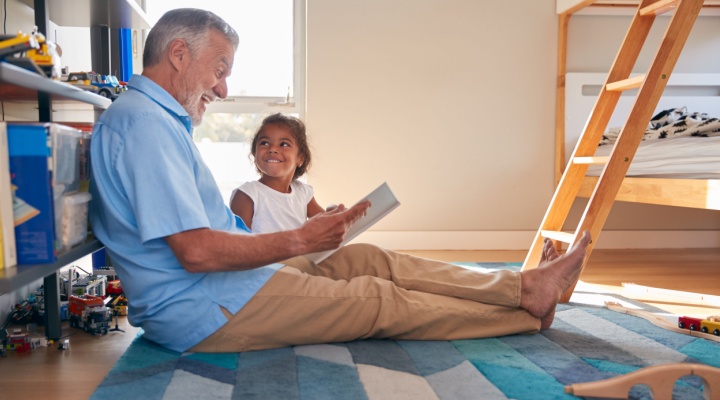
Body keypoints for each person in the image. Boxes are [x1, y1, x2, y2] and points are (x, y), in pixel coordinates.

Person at [89, 8, 592, 354]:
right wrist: (298, 239)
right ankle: (525, 312)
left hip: (232, 283)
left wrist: (306, 238)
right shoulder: (143, 126)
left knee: (368, 259)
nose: (222, 88)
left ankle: (520, 286)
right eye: (219, 70)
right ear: (178, 54)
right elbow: (195, 253)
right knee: (376, 300)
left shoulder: (158, 122)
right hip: (205, 309)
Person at [229, 113, 326, 233]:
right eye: (264, 143)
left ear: (300, 158)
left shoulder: (303, 192)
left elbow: (328, 225)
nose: (273, 149)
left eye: (284, 144)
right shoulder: (247, 195)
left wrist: (341, 214)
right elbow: (238, 244)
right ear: (255, 154)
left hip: (302, 252)